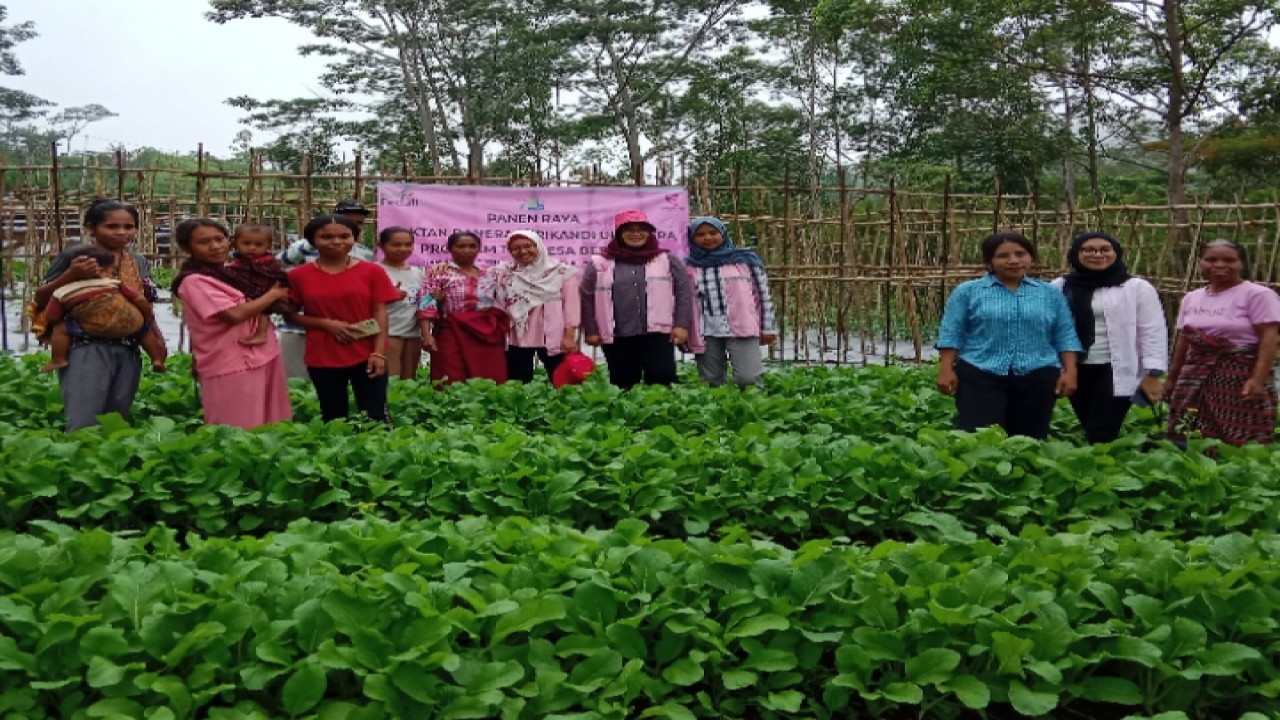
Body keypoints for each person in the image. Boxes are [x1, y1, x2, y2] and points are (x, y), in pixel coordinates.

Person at [34, 199, 167, 431]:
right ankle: (80, 463)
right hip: (85, 346)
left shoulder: (137, 262)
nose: (121, 233)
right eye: (112, 226)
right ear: (91, 228)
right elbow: (42, 297)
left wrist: (157, 340)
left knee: (117, 418)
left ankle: (110, 465)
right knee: (83, 419)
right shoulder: (76, 256)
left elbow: (145, 304)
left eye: (129, 227)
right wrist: (72, 274)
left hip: (128, 346)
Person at [936, 231, 1082, 439]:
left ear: (1031, 257)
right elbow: (952, 332)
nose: (1013, 260)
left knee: (1029, 439)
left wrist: (1070, 371)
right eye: (1003, 256)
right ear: (990, 261)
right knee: (980, 437)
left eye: (1021, 254)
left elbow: (1064, 334)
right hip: (980, 373)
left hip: (1037, 373)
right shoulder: (968, 291)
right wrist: (946, 369)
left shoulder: (1049, 293)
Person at [170, 218, 292, 429]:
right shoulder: (194, 281)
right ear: (186, 247)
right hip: (227, 361)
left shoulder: (233, 272)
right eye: (204, 242)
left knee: (273, 421)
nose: (215, 246)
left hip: (264, 352)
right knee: (234, 428)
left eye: (220, 239)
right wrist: (273, 295)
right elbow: (234, 314)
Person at [1050, 231, 1168, 443]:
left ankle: (1100, 469)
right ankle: (1104, 467)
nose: (1097, 254)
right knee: (1089, 423)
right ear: (1076, 253)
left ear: (1117, 253)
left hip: (1116, 368)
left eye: (1105, 249)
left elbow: (1152, 331)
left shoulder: (1136, 287)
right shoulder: (1060, 286)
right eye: (1088, 250)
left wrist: (1153, 373)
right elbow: (1052, 329)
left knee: (1101, 429)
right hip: (1076, 367)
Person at [287, 214, 400, 423]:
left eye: (344, 236)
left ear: (354, 238)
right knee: (333, 416)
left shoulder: (372, 271)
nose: (336, 242)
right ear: (312, 241)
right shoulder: (298, 276)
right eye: (327, 237)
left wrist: (378, 353)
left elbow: (380, 313)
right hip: (322, 354)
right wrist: (324, 324)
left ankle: (376, 453)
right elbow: (289, 315)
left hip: (367, 353)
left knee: (376, 415)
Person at [1166, 239, 1280, 446]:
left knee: (1241, 428)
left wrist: (1257, 380)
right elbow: (1184, 340)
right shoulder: (1192, 298)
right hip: (1195, 374)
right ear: (1200, 262)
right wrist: (1172, 378)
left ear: (1241, 264)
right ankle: (1196, 470)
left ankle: (1239, 472)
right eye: (1211, 259)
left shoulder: (1258, 295)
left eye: (1229, 260)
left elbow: (1269, 339)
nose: (1219, 265)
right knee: (1188, 426)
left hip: (1239, 373)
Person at [581, 210, 693, 389]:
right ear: (618, 234)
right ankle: (629, 416)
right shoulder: (599, 262)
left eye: (641, 229)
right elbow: (587, 298)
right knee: (623, 380)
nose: (636, 234)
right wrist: (591, 330)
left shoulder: (667, 259)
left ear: (649, 233)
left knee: (661, 376)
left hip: (658, 333)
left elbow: (683, 293)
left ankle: (659, 414)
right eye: (629, 230)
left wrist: (681, 325)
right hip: (617, 333)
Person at [275, 200, 376, 379]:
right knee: (296, 381)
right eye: (347, 219)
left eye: (359, 223)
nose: (353, 226)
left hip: (344, 331)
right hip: (299, 328)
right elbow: (275, 267)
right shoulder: (303, 247)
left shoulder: (365, 254)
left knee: (333, 382)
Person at [39, 245, 167, 375]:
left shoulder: (65, 289)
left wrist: (58, 320)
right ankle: (156, 359)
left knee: (60, 329)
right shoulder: (114, 283)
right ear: (106, 271)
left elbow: (52, 316)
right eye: (113, 271)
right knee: (142, 330)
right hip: (125, 323)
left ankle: (59, 358)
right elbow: (140, 299)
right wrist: (148, 316)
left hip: (91, 327)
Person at [684, 216, 777, 387]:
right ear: (692, 239)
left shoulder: (745, 260)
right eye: (700, 235)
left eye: (713, 233)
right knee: (711, 380)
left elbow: (763, 296)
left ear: (723, 234)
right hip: (706, 330)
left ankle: (752, 409)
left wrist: (768, 328)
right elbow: (683, 301)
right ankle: (716, 411)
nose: (707, 238)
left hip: (742, 326)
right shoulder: (689, 266)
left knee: (748, 378)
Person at [417, 231, 509, 385]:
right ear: (450, 249)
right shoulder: (439, 273)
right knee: (451, 374)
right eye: (461, 246)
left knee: (488, 376)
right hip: (450, 331)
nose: (467, 250)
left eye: (472, 246)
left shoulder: (490, 275)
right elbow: (426, 304)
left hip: (485, 333)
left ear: (479, 249)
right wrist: (426, 334)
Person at [490, 230, 580, 382]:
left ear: (538, 246)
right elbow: (474, 276)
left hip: (553, 337)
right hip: (517, 338)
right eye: (516, 248)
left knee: (562, 383)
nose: (523, 251)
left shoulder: (561, 272)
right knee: (518, 383)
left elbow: (571, 308)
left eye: (528, 246)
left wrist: (569, 337)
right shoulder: (503, 273)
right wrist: (445, 267)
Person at [222, 224, 290, 347]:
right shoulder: (237, 261)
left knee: (264, 310)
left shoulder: (268, 262)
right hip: (247, 297)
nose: (252, 248)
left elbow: (276, 276)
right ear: (235, 243)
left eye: (258, 245)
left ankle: (261, 333)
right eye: (246, 243)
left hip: (265, 291)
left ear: (268, 246)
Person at [376, 226, 426, 380]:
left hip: (413, 334)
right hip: (388, 334)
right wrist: (387, 295)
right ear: (381, 246)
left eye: (408, 244)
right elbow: (360, 302)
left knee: (409, 380)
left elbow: (424, 303)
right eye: (396, 245)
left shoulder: (418, 273)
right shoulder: (375, 270)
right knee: (390, 381)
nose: (403, 249)